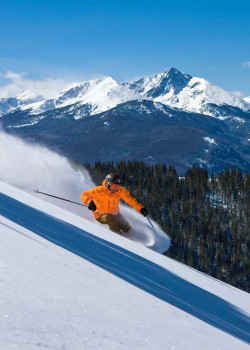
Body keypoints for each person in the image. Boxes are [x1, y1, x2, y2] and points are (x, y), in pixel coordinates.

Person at [81, 173, 148, 234]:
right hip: (100, 215)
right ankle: (119, 239)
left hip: (115, 214)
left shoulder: (120, 191)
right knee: (110, 219)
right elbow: (84, 195)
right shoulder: (99, 191)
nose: (116, 188)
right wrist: (90, 202)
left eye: (118, 186)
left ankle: (134, 240)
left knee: (126, 227)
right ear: (108, 184)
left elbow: (131, 200)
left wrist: (141, 209)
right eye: (114, 185)